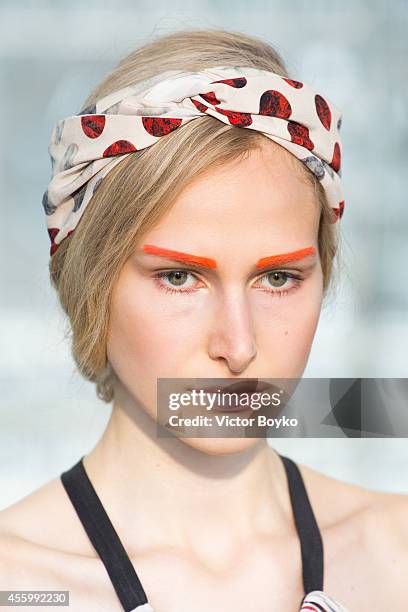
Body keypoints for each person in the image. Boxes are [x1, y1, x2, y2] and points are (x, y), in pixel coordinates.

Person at [1, 29, 407, 611]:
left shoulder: (397, 557)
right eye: (178, 277)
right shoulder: (17, 586)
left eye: (279, 278)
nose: (238, 346)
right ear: (90, 283)